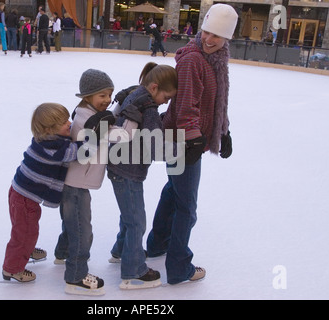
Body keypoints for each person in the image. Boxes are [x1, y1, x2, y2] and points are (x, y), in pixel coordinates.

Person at [146, 3, 237, 285]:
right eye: (207, 32)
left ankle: (157, 244)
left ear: (227, 39)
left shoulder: (217, 59)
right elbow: (187, 106)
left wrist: (223, 130)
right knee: (187, 206)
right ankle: (178, 267)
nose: (209, 40)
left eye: (217, 36)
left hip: (189, 138)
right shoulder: (193, 60)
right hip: (182, 140)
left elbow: (215, 101)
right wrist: (193, 138)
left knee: (174, 193)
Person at [54, 69, 138, 295]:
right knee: (82, 231)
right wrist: (133, 114)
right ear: (87, 96)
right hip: (76, 185)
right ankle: (76, 277)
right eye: (102, 95)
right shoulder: (88, 121)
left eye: (110, 95)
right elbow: (122, 134)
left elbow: (106, 119)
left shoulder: (85, 113)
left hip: (72, 182)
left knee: (71, 223)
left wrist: (119, 105)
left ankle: (62, 253)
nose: (107, 100)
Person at [107, 62, 178, 290]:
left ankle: (121, 251)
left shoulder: (135, 93)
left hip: (120, 168)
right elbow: (156, 147)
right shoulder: (147, 108)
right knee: (137, 221)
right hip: (128, 171)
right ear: (155, 87)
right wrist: (182, 148)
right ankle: (133, 271)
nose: (165, 102)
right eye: (166, 97)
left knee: (130, 216)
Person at [2, 103, 85, 282]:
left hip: (20, 193)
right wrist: (92, 141)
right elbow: (76, 153)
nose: (69, 123)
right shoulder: (51, 148)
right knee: (24, 232)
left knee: (25, 230)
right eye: (64, 122)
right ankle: (12, 269)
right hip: (24, 198)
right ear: (49, 129)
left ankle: (26, 249)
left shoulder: (46, 140)